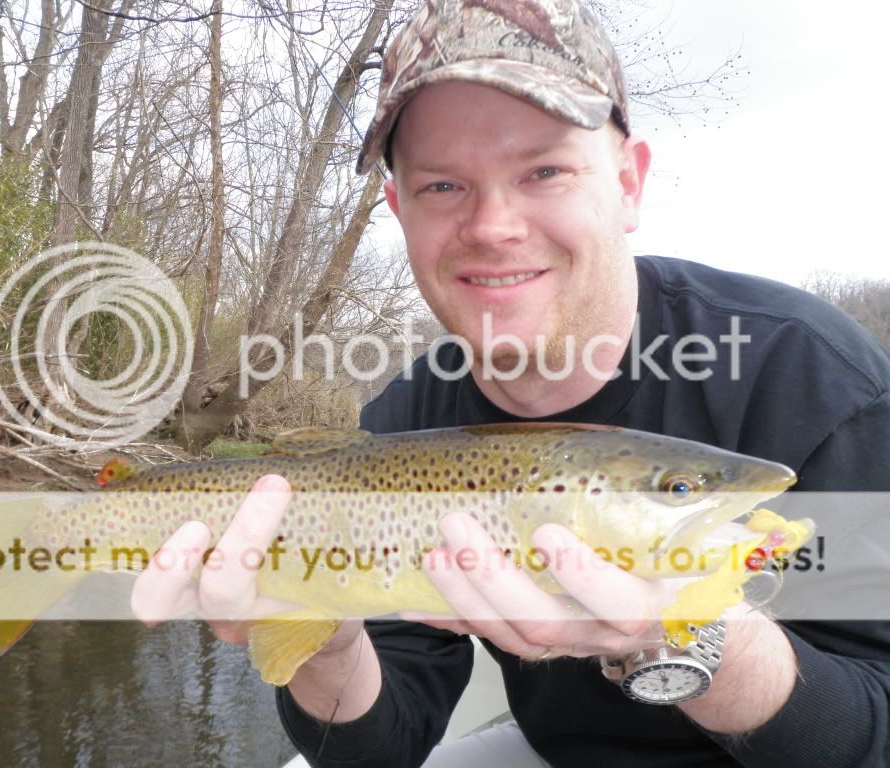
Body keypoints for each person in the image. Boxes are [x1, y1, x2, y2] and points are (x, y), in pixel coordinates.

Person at [131, 1, 890, 765]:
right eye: (442, 187)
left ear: (628, 183)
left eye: (545, 171)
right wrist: (323, 638)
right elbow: (380, 750)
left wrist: (691, 635)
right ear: (399, 210)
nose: (493, 225)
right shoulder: (402, 422)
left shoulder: (814, 376)